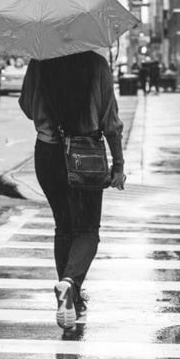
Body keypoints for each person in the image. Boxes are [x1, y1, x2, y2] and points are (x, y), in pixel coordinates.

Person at [19, 51, 126, 331]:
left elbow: (28, 107)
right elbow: (110, 121)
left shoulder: (39, 60)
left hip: (47, 151)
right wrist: (118, 164)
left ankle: (71, 297)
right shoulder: (96, 64)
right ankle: (70, 284)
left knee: (63, 227)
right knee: (88, 230)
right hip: (85, 152)